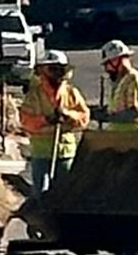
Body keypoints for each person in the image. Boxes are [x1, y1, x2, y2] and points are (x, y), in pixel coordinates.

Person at [20, 48, 90, 192]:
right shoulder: (34, 95)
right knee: (41, 193)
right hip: (41, 152)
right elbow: (26, 121)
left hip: (65, 151)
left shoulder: (71, 93)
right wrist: (46, 120)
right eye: (52, 69)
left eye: (59, 69)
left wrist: (68, 115)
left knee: (64, 193)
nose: (57, 73)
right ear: (44, 70)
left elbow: (84, 117)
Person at [94, 39, 138, 131]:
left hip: (135, 137)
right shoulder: (119, 81)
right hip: (119, 136)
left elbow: (134, 113)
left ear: (117, 60)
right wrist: (105, 111)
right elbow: (118, 107)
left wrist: (107, 117)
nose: (106, 68)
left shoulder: (133, 79)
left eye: (108, 63)